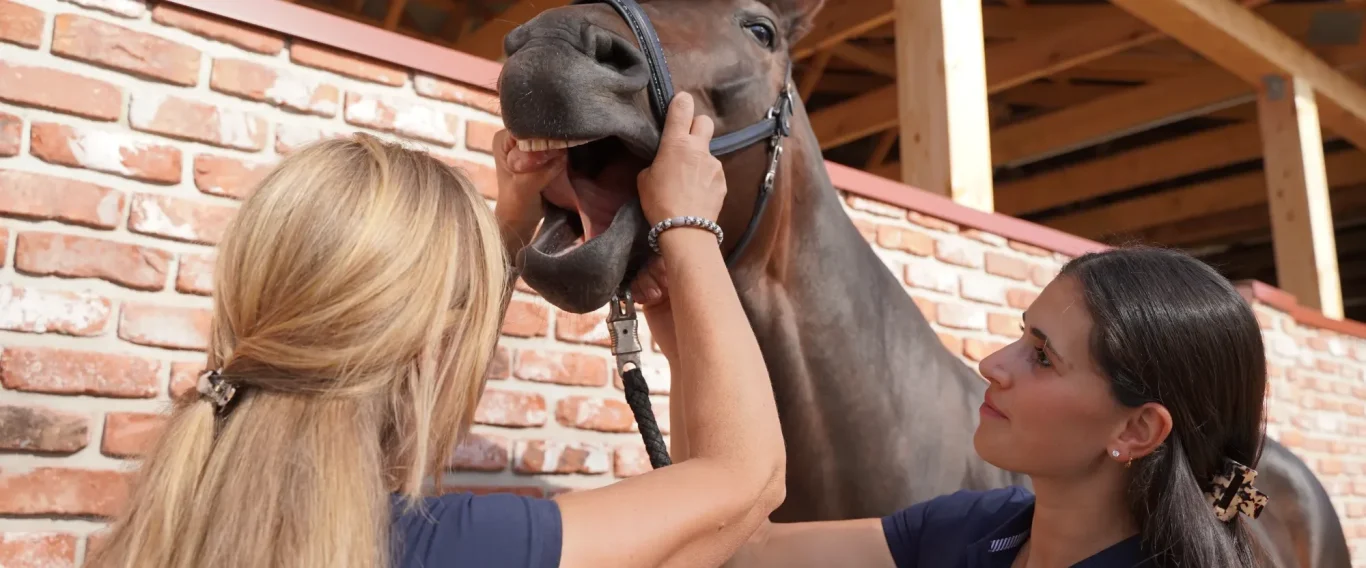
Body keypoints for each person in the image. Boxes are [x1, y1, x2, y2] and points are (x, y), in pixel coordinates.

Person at [87, 92, 787, 568]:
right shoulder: (442, 547)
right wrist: (689, 226)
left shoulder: (164, 525)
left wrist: (512, 222)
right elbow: (746, 480)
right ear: (433, 346)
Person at [639, 245, 1272, 568]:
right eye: (1023, 335)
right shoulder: (980, 527)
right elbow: (741, 550)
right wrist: (682, 330)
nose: (993, 365)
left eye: (1043, 356)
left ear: (1137, 429)